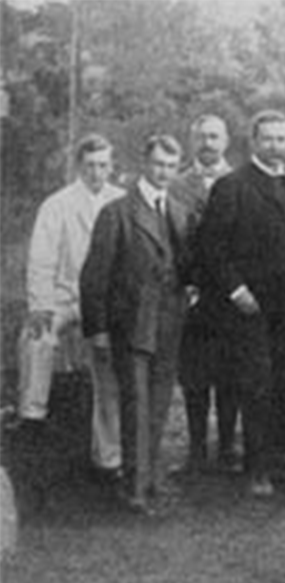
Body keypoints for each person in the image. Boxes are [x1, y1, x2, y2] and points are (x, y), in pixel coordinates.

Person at [194, 110, 285, 497]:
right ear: (254, 142)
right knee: (256, 385)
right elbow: (211, 248)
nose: (275, 146)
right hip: (250, 307)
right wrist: (236, 290)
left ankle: (279, 460)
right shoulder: (232, 185)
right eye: (268, 139)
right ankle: (256, 469)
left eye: (281, 139)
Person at [80, 134, 190, 513]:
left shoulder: (178, 211)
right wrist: (97, 330)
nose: (164, 172)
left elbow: (185, 265)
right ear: (145, 163)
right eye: (158, 164)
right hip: (131, 324)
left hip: (169, 323)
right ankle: (135, 488)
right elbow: (94, 277)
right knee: (136, 405)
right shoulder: (117, 213)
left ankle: (151, 479)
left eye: (171, 166)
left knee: (159, 403)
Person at [20, 134, 125, 481]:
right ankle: (32, 415)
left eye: (103, 165)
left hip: (105, 303)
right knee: (37, 337)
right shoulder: (57, 204)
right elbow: (41, 258)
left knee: (108, 366)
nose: (97, 172)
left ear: (112, 166)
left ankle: (108, 456)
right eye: (90, 165)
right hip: (66, 296)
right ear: (79, 166)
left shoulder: (121, 202)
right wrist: (41, 304)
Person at [172, 114, 240, 473]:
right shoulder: (176, 184)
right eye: (202, 137)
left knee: (229, 374)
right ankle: (196, 450)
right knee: (194, 375)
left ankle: (227, 446)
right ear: (192, 141)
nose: (208, 143)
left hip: (228, 294)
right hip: (191, 292)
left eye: (214, 137)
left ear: (226, 141)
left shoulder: (240, 181)